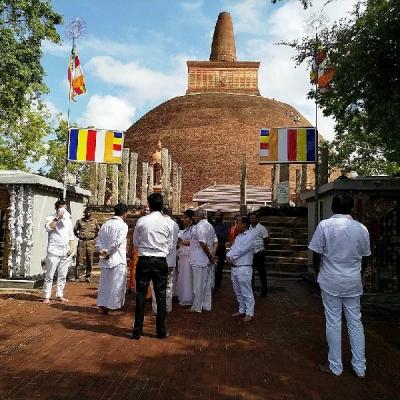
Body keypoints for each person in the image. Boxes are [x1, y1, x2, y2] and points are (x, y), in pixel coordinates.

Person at [309, 193, 371, 378]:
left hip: (330, 280)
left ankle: (336, 366)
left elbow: (316, 253)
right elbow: (366, 256)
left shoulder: (325, 225)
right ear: (351, 209)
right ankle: (360, 368)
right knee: (355, 322)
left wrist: (318, 272)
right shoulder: (361, 228)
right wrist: (358, 275)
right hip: (353, 282)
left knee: (333, 322)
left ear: (333, 208)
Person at [131, 193, 172, 340]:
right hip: (160, 260)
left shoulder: (142, 221)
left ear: (149, 204)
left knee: (141, 295)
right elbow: (170, 243)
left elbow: (135, 242)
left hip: (144, 259)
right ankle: (161, 331)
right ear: (162, 205)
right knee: (160, 296)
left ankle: (137, 330)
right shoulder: (168, 222)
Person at [96, 203, 129, 315]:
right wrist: (108, 252)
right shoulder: (123, 225)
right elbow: (117, 242)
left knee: (104, 283)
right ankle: (113, 308)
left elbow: (99, 239)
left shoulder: (105, 224)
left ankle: (102, 306)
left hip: (106, 258)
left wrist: (102, 251)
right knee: (117, 283)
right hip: (117, 258)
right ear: (125, 213)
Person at [43, 200, 74, 304]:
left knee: (63, 274)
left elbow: (71, 234)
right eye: (62, 208)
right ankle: (46, 296)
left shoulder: (68, 219)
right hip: (54, 251)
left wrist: (71, 247)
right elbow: (49, 227)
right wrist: (57, 218)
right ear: (57, 209)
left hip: (65, 250)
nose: (64, 211)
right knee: (50, 274)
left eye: (65, 208)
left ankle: (60, 294)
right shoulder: (50, 218)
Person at [226, 215, 256, 322]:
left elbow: (241, 250)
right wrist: (228, 255)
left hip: (244, 268)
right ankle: (242, 309)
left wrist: (231, 257)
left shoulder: (250, 236)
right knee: (238, 291)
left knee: (246, 291)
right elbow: (233, 249)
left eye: (237, 222)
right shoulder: (238, 237)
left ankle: (250, 313)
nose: (235, 224)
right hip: (235, 268)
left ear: (244, 224)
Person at [151, 205, 179, 314]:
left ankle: (157, 308)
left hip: (159, 259)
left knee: (156, 285)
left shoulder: (160, 224)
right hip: (170, 260)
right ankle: (167, 307)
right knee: (168, 285)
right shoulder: (175, 224)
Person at [189, 209, 217, 313]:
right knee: (206, 283)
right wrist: (212, 255)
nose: (194, 218)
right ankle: (206, 305)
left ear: (198, 216)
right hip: (204, 259)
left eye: (195, 215)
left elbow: (203, 243)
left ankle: (197, 307)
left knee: (198, 284)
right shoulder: (210, 226)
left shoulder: (200, 226)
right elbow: (215, 241)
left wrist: (211, 257)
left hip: (199, 259)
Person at [73, 208, 99, 283]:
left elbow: (98, 230)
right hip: (82, 242)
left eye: (89, 212)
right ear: (84, 213)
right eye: (86, 212)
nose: (88, 214)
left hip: (90, 243)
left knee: (89, 260)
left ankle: (88, 276)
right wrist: (79, 236)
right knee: (79, 260)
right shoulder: (80, 221)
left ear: (91, 213)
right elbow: (75, 230)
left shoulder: (94, 221)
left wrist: (94, 237)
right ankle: (77, 277)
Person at [176, 209, 195, 306]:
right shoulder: (186, 230)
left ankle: (189, 298)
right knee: (182, 275)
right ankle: (182, 296)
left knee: (188, 276)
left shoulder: (194, 229)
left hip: (189, 256)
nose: (183, 219)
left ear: (191, 219)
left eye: (186, 217)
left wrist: (181, 241)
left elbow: (193, 242)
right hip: (183, 255)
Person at [248, 212, 269, 296]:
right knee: (251, 272)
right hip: (251, 253)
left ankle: (264, 290)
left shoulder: (262, 228)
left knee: (261, 272)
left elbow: (266, 240)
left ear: (257, 219)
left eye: (253, 218)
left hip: (259, 253)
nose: (251, 220)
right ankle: (251, 290)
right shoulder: (249, 227)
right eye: (250, 218)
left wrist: (263, 249)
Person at [213, 210, 229, 289]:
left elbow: (224, 236)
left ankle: (217, 285)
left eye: (218, 215)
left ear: (222, 216)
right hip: (213, 248)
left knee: (219, 268)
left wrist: (215, 235)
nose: (216, 217)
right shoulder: (212, 224)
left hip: (221, 248)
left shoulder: (225, 225)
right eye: (216, 215)